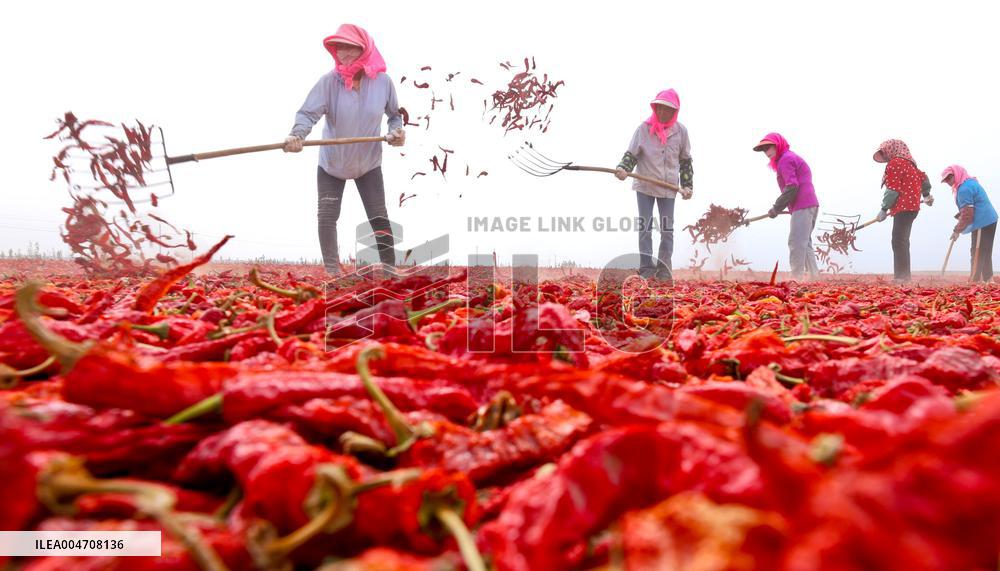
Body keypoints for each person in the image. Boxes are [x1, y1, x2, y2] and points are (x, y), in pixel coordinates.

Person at [283, 24, 405, 275]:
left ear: (365, 50)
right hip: (332, 164)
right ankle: (332, 272)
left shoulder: (383, 83)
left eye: (351, 48)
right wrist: (297, 135)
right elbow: (308, 114)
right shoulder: (328, 83)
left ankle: (390, 269)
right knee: (327, 216)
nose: (345, 54)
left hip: (368, 163)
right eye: (340, 49)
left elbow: (394, 115)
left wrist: (396, 133)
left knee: (378, 215)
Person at [614, 89, 693, 281]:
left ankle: (664, 269)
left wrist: (688, 185)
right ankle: (647, 268)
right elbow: (630, 155)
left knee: (667, 229)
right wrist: (622, 169)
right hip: (645, 186)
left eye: (668, 110)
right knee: (645, 226)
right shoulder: (643, 129)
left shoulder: (681, 132)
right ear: (655, 108)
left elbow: (685, 161)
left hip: (669, 187)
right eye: (660, 109)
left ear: (675, 112)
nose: (663, 113)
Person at [753, 133, 820, 280]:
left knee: (796, 241)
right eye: (764, 150)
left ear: (778, 145)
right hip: (808, 204)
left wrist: (776, 208)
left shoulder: (785, 159)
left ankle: (796, 278)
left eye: (769, 147)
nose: (767, 152)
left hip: (803, 204)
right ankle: (815, 278)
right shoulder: (788, 158)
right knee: (805, 241)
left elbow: (792, 187)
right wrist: (785, 207)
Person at [872, 139, 933, 283]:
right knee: (903, 240)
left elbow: (892, 189)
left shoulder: (895, 163)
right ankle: (904, 275)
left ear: (891, 149)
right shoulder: (911, 164)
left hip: (903, 207)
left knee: (898, 240)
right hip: (912, 208)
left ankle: (902, 277)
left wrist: (883, 209)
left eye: (884, 153)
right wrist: (926, 195)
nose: (885, 157)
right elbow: (924, 180)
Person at [942, 165, 997, 282]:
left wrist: (957, 230)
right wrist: (961, 217)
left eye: (949, 177)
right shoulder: (969, 183)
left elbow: (967, 213)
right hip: (989, 219)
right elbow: (970, 207)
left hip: (983, 220)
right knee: (985, 250)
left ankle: (975, 280)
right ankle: (989, 279)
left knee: (977, 250)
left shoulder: (964, 189)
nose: (947, 181)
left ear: (956, 174)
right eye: (945, 180)